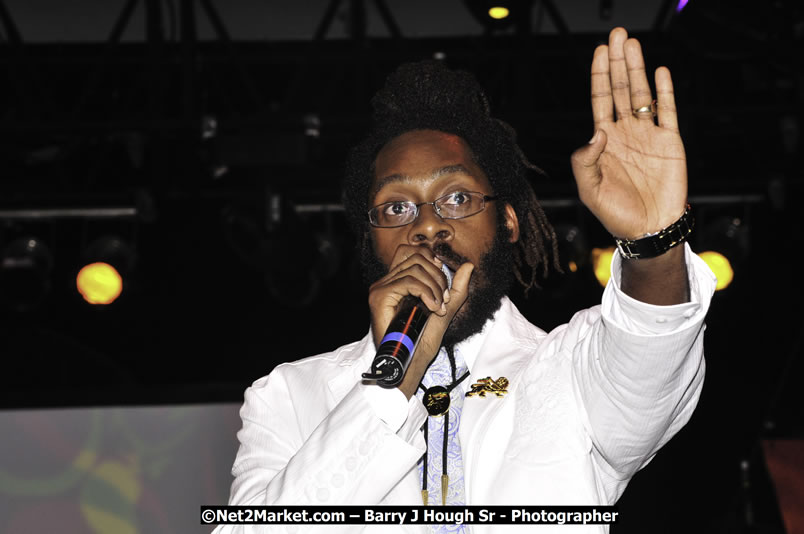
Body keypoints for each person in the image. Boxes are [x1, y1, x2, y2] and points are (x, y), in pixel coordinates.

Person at [214, 27, 716, 533]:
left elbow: (649, 354)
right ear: (372, 242)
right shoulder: (289, 396)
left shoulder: (570, 372)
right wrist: (392, 383)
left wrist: (656, 242)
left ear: (509, 222)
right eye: (397, 207)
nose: (427, 224)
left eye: (457, 197)